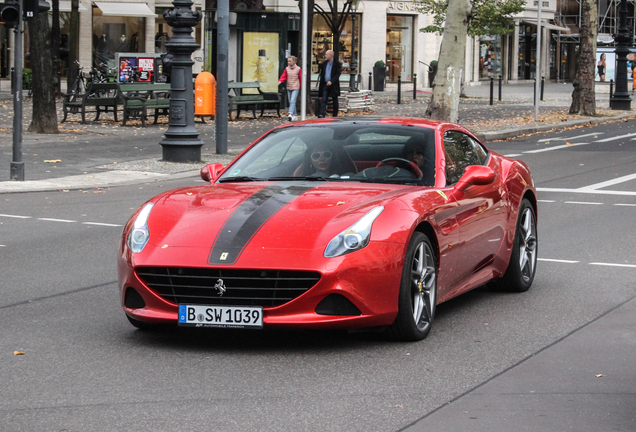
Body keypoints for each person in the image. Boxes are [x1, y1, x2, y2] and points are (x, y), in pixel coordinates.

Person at [317, 50, 342, 118]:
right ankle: (322, 113)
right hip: (325, 84)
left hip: (333, 85)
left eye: (326, 54)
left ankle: (335, 114)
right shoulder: (324, 63)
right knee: (324, 99)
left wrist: (331, 81)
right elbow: (322, 74)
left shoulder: (337, 63)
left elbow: (338, 74)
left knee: (334, 99)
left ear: (331, 55)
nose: (325, 56)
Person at [278, 55, 301, 122]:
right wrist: (280, 81)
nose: (288, 62)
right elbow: (284, 76)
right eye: (288, 61)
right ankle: (295, 114)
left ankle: (290, 113)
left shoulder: (298, 69)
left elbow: (300, 78)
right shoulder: (287, 69)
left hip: (296, 87)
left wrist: (300, 86)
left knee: (292, 100)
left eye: (290, 61)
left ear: (294, 61)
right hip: (289, 87)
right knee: (291, 101)